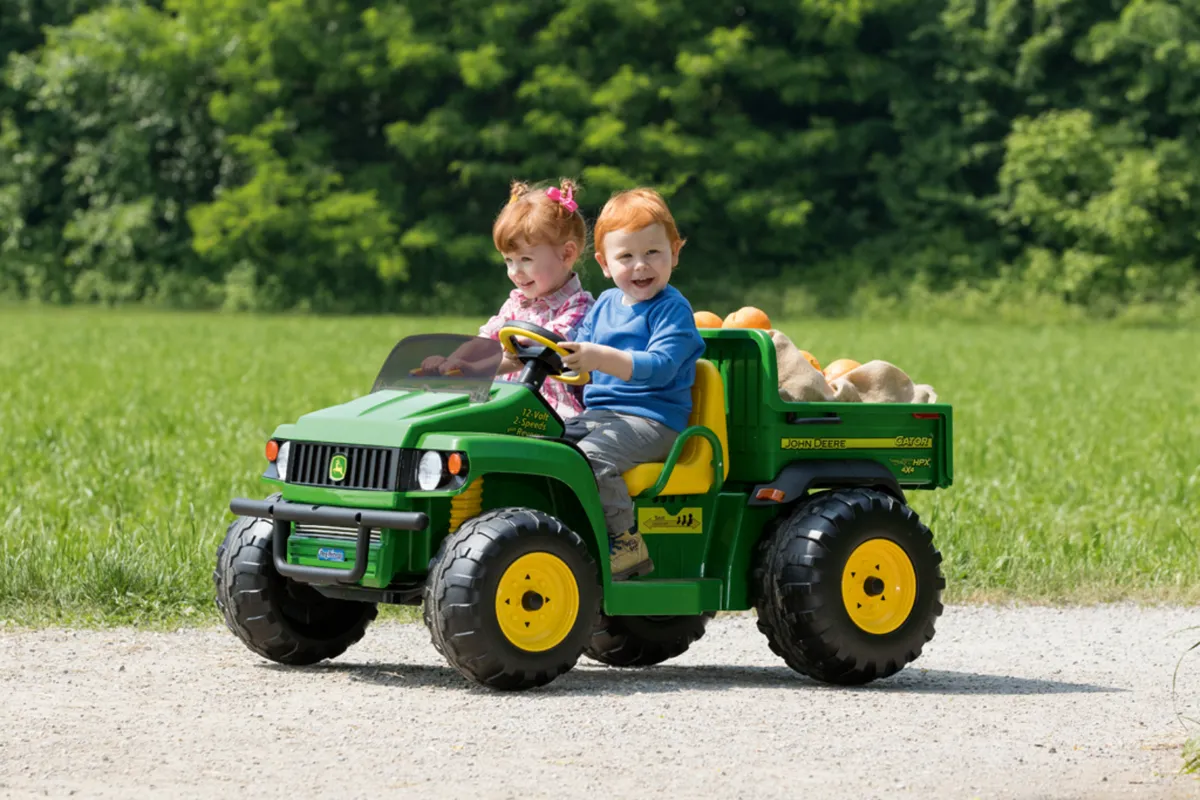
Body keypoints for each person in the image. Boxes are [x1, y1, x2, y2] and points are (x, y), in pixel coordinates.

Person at [560, 188, 704, 579]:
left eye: (653, 253)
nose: (640, 266)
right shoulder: (605, 304)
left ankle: (625, 543)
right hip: (602, 416)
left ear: (675, 252)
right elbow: (579, 362)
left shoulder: (671, 309)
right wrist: (561, 360)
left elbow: (659, 367)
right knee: (544, 450)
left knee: (592, 458)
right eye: (626, 256)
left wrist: (599, 357)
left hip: (654, 421)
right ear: (605, 264)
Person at [423, 179, 594, 418]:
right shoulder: (517, 302)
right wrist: (451, 363)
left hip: (553, 414)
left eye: (526, 260)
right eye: (508, 261)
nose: (515, 272)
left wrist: (474, 371)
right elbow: (484, 341)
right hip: (508, 403)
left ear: (566, 254)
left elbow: (533, 352)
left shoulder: (579, 308)